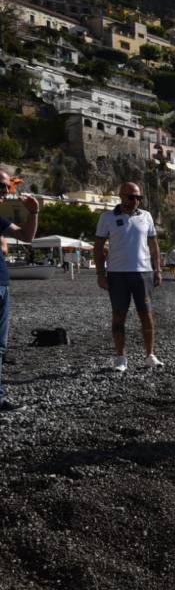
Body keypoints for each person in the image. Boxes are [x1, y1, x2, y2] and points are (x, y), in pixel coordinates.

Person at [95, 182, 163, 372]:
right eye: (131, 197)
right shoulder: (107, 217)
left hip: (143, 273)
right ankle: (121, 358)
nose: (136, 201)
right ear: (121, 196)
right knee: (118, 316)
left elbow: (154, 245)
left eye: (139, 198)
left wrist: (158, 270)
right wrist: (100, 274)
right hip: (117, 274)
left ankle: (150, 355)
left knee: (147, 315)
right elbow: (98, 247)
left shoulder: (146, 216)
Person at [0, 171, 39, 411]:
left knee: (0, 346)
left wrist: (34, 213)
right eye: (1, 186)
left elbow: (26, 237)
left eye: (6, 187)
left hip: (3, 284)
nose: (5, 191)